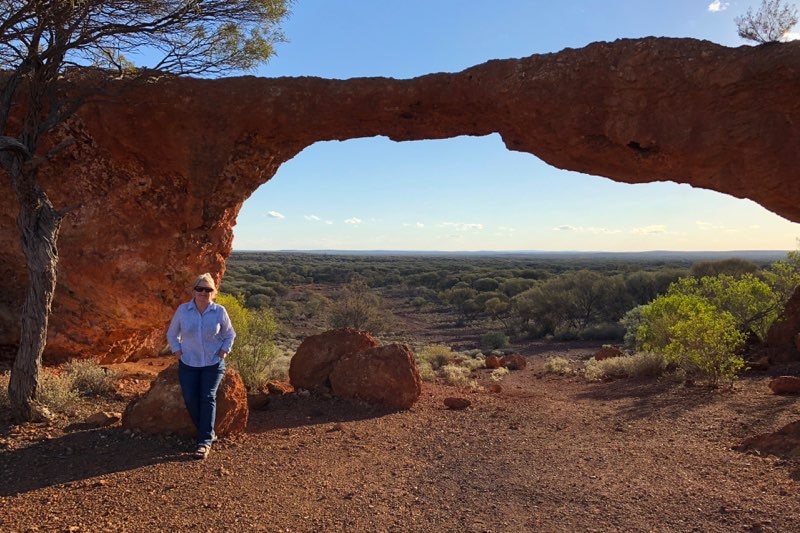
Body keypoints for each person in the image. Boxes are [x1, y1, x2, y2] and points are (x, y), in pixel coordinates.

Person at [167, 273, 235, 460]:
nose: (204, 292)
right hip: (189, 362)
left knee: (207, 397)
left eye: (208, 289)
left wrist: (224, 351)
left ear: (214, 292)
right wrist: (178, 352)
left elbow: (230, 334)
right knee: (190, 398)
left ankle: (204, 441)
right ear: (194, 290)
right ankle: (208, 431)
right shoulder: (183, 310)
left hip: (213, 363)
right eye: (200, 288)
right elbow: (172, 334)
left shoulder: (219, 311)